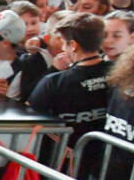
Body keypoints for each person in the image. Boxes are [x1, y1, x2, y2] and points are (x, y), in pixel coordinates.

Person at [30, 14, 109, 147]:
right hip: (107, 157)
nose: (62, 48)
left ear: (73, 45)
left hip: (61, 159)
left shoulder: (54, 82)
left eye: (63, 42)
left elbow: (28, 115)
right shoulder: (119, 74)